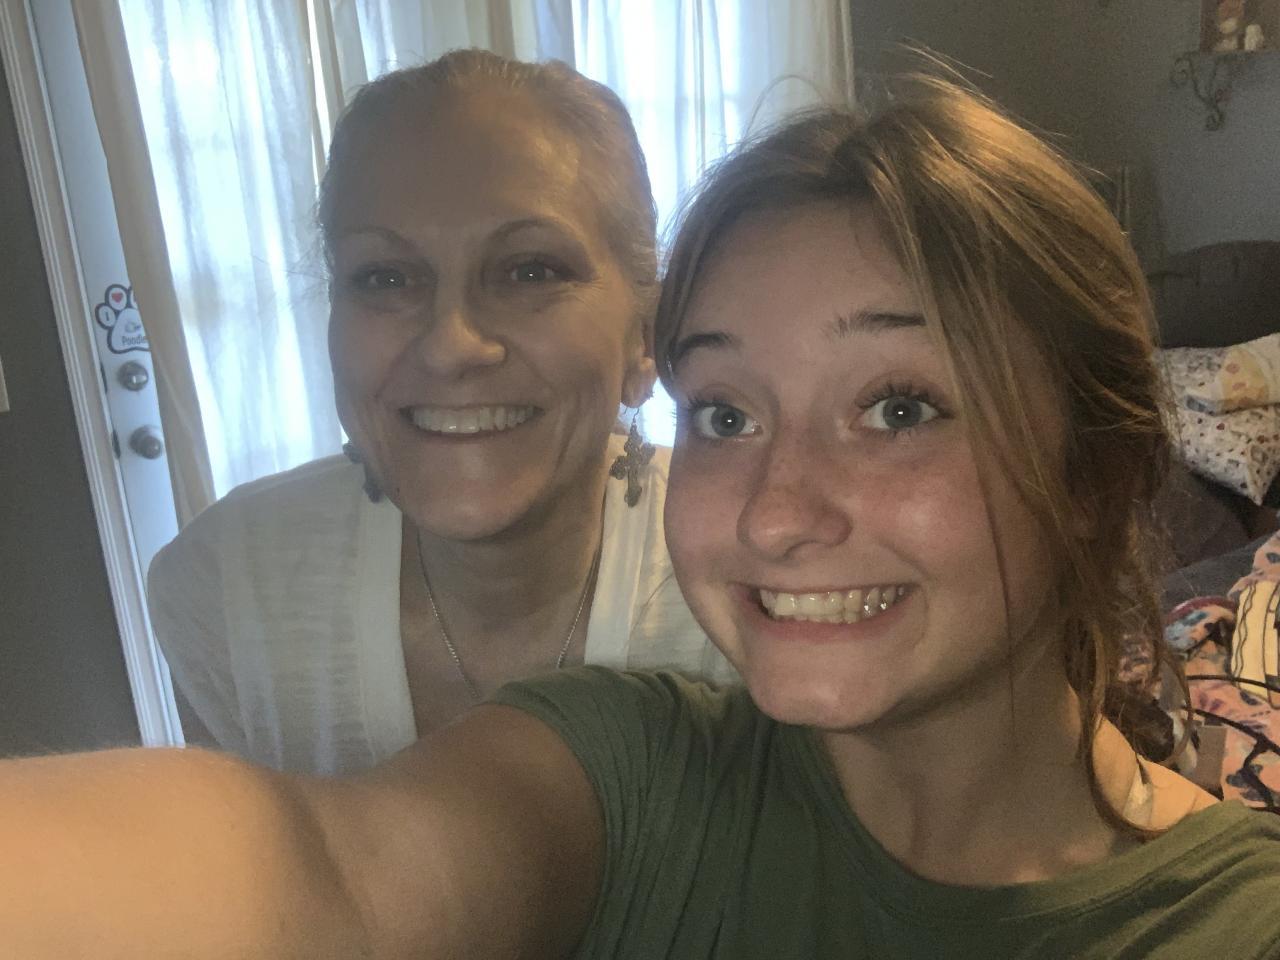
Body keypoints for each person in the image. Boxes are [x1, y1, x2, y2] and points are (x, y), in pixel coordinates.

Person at [7, 77, 1280, 958]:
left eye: (896, 407)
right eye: (724, 412)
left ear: (1097, 471)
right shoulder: (632, 766)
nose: (774, 514)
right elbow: (328, 877)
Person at [146, 49, 734, 773]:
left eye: (530, 270)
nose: (451, 345)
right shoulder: (229, 591)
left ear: (645, 338)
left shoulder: (754, 580)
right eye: (385, 278)